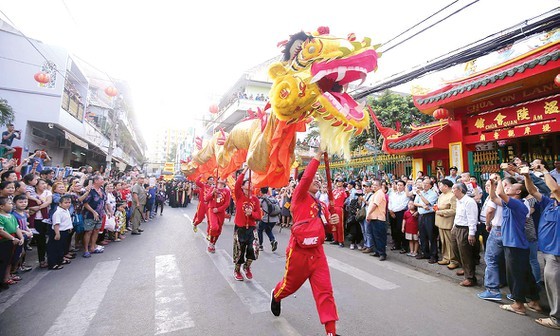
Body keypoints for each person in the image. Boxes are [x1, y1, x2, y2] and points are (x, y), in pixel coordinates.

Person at [270, 147, 340, 336]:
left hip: (317, 254)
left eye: (319, 179)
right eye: (314, 179)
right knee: (289, 286)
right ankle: (276, 296)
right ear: (303, 183)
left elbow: (327, 230)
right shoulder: (299, 197)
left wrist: (333, 222)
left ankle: (331, 332)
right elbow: (307, 176)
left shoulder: (322, 205)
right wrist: (318, 154)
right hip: (299, 253)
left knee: (325, 292)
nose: (317, 180)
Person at [492, 174, 541, 315]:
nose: (508, 187)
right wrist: (492, 184)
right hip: (516, 244)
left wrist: (500, 180)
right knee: (526, 274)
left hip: (515, 245)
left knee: (515, 275)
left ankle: (518, 304)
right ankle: (534, 301)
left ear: (518, 192)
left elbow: (500, 193)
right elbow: (495, 197)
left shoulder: (518, 204)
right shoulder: (510, 204)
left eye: (512, 186)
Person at [523, 164, 560, 330]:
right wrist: (527, 177)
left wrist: (544, 171)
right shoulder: (549, 203)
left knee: (555, 287)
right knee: (553, 286)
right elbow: (532, 191)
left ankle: (556, 319)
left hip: (555, 253)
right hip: (547, 252)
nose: (551, 191)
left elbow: (555, 188)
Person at [232, 167, 262, 281]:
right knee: (240, 251)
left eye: (251, 183)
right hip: (240, 228)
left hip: (252, 228)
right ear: (243, 187)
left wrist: (252, 213)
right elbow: (237, 183)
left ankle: (247, 267)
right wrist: (246, 170)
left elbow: (259, 216)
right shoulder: (239, 195)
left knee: (253, 249)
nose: (250, 185)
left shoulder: (255, 200)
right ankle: (237, 270)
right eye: (247, 183)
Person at [450, 182, 479, 287]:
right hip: (457, 227)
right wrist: (454, 227)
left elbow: (472, 218)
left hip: (465, 229)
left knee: (466, 253)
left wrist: (471, 233)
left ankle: (470, 277)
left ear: (460, 190)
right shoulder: (458, 201)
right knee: (456, 250)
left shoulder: (469, 201)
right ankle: (464, 268)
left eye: (454, 188)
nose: (452, 190)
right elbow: (458, 215)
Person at [413, 178, 439, 263]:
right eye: (423, 183)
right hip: (421, 215)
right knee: (422, 235)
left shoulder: (433, 193)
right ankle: (425, 253)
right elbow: (415, 203)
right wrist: (422, 205)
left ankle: (434, 255)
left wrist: (420, 195)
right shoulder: (420, 192)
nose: (424, 185)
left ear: (431, 185)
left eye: (427, 183)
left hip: (430, 216)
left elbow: (428, 203)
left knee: (431, 235)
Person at [0, 197, 24, 288]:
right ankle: (2, 281)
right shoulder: (1, 217)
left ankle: (6, 278)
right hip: (4, 241)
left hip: (13, 240)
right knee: (3, 261)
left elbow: (16, 228)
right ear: (1, 206)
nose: (11, 205)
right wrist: (12, 239)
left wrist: (21, 237)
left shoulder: (12, 216)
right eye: (9, 203)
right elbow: (1, 231)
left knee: (9, 261)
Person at [82, 175, 107, 257]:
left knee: (96, 230)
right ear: (96, 181)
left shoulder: (102, 190)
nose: (103, 181)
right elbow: (85, 203)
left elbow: (104, 201)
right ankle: (86, 250)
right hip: (89, 214)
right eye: (101, 179)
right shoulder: (90, 190)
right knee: (88, 231)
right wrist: (93, 212)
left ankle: (93, 247)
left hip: (100, 214)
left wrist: (105, 211)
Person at [205, 178, 231, 253]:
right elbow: (206, 198)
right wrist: (212, 193)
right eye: (221, 177)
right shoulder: (213, 188)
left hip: (220, 212)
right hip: (212, 210)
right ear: (218, 180)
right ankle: (210, 241)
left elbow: (227, 203)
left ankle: (213, 243)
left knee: (218, 230)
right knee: (214, 227)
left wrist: (219, 209)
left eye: (224, 178)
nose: (223, 179)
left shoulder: (227, 191)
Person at [434, 179, 457, 266]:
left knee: (450, 242)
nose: (439, 187)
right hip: (440, 221)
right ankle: (446, 257)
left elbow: (454, 210)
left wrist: (441, 212)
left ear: (446, 186)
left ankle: (453, 260)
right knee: (443, 241)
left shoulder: (452, 196)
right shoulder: (441, 195)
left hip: (448, 221)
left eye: (440, 185)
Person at [47, 195, 73, 270]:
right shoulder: (57, 212)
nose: (68, 204)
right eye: (65, 203)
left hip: (65, 231)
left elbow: (67, 220)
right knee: (54, 248)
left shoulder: (66, 210)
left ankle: (60, 260)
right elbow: (56, 224)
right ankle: (53, 264)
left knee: (61, 247)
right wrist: (57, 233)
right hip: (58, 232)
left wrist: (70, 227)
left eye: (69, 202)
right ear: (60, 204)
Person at [366, 179, 388, 261]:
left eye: (375, 185)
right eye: (373, 185)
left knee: (379, 237)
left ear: (379, 186)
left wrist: (368, 214)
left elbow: (375, 205)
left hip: (379, 218)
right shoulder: (375, 194)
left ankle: (382, 253)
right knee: (374, 236)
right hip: (373, 218)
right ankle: (377, 251)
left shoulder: (379, 193)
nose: (373, 186)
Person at [388, 180, 409, 252]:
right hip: (391, 213)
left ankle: (404, 246)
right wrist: (391, 210)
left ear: (404, 186)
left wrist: (394, 211)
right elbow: (390, 202)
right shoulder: (393, 194)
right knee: (394, 230)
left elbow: (403, 205)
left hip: (400, 213)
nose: (399, 187)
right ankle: (396, 245)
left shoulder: (405, 195)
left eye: (401, 185)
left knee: (401, 229)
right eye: (398, 185)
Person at [258, 186, 279, 252]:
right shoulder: (272, 197)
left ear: (261, 192)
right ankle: (273, 240)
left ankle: (260, 245)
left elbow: (257, 207)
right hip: (275, 218)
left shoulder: (262, 200)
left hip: (266, 219)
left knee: (260, 230)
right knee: (268, 230)